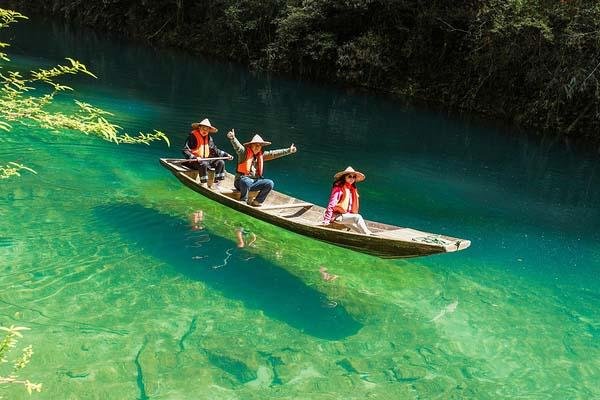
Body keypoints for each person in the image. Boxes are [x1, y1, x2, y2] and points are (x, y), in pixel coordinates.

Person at [226, 129, 297, 206]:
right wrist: (233, 138)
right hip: (240, 182)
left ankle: (257, 201)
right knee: (245, 181)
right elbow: (238, 147)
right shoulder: (244, 153)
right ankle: (244, 200)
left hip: (254, 182)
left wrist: (289, 150)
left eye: (259, 145)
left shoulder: (262, 155)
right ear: (251, 145)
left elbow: (274, 154)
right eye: (256, 145)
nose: (258, 147)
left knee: (269, 183)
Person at [182, 118, 233, 189]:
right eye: (203, 128)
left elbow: (215, 150)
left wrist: (226, 155)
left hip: (205, 160)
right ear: (199, 127)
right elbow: (185, 150)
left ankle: (216, 184)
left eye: (207, 129)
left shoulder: (209, 138)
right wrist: (194, 158)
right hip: (194, 161)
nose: (205, 131)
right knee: (204, 163)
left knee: (221, 162)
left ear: (209, 130)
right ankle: (204, 183)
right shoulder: (192, 136)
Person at [322, 166, 373, 235]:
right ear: (344, 177)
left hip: (345, 215)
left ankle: (368, 235)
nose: (352, 178)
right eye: (349, 176)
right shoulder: (338, 188)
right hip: (336, 216)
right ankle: (368, 236)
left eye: (354, 177)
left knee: (361, 229)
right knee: (358, 217)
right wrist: (327, 219)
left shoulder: (352, 189)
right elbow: (332, 204)